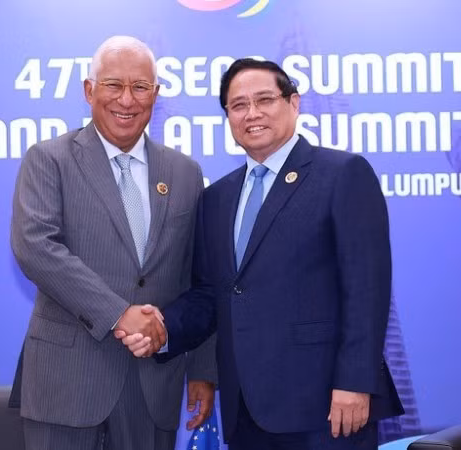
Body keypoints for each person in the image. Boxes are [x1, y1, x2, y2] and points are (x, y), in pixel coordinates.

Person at [117, 58, 404, 449]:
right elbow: (209, 295)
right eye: (238, 105)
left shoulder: (343, 174)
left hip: (325, 408)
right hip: (245, 410)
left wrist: (355, 381)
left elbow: (367, 290)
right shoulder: (217, 197)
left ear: (294, 103)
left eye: (264, 99)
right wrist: (163, 328)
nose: (252, 114)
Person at [8, 35, 216, 450]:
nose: (127, 99)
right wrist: (118, 314)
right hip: (66, 381)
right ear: (89, 90)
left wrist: (204, 370)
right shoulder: (49, 159)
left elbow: (203, 277)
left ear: (155, 95)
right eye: (112, 85)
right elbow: (35, 245)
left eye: (140, 87)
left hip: (153, 385)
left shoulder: (185, 172)